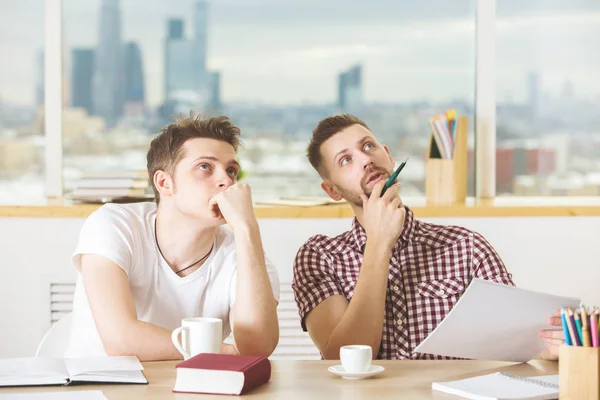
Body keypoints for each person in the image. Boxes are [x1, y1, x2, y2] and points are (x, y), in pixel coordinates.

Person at [292, 114, 562, 360]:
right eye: (346, 160)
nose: (366, 159)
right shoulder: (319, 256)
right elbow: (339, 360)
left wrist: (549, 346)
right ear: (332, 190)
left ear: (388, 156)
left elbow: (517, 341)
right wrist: (378, 243)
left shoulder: (467, 247)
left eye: (368, 146)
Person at [65, 114, 280, 360]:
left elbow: (256, 349)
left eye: (231, 171)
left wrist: (246, 228)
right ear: (165, 183)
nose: (226, 181)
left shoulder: (247, 253)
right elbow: (120, 340)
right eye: (205, 167)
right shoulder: (114, 224)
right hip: (100, 388)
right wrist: (226, 353)